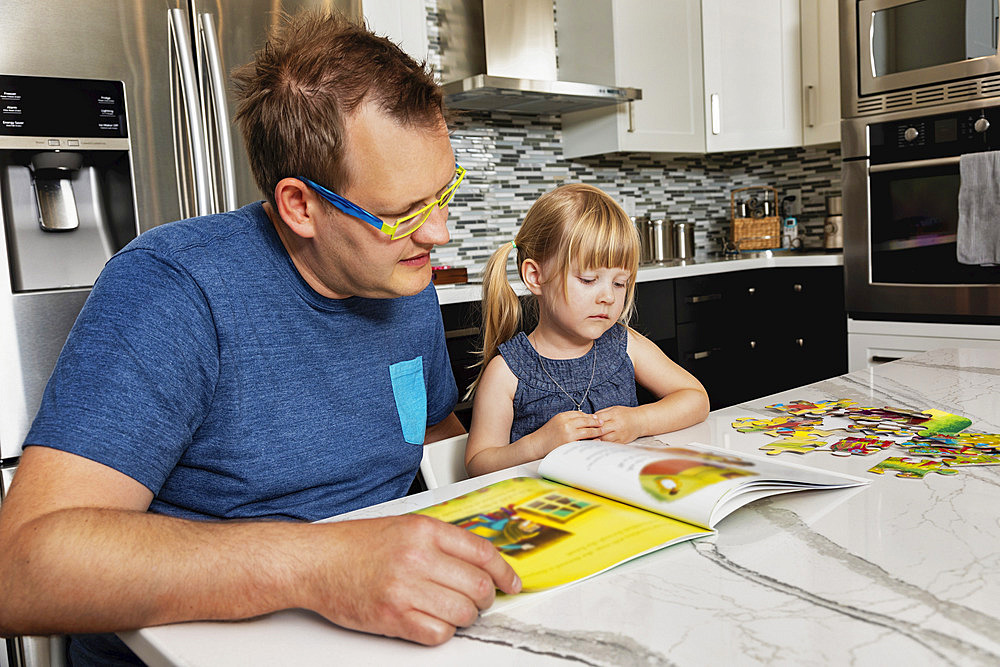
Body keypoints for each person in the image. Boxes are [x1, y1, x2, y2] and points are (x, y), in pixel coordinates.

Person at [0, 11, 520, 665]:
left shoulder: (400, 277)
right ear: (300, 204)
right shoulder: (172, 288)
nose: (439, 232)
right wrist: (318, 566)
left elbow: (432, 430)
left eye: (443, 194)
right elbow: (22, 569)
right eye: (402, 213)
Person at [464, 184, 710, 477]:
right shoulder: (507, 371)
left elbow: (696, 398)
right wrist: (537, 444)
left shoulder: (624, 345)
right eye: (588, 279)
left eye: (619, 283)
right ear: (535, 276)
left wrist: (639, 421)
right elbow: (478, 465)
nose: (607, 296)